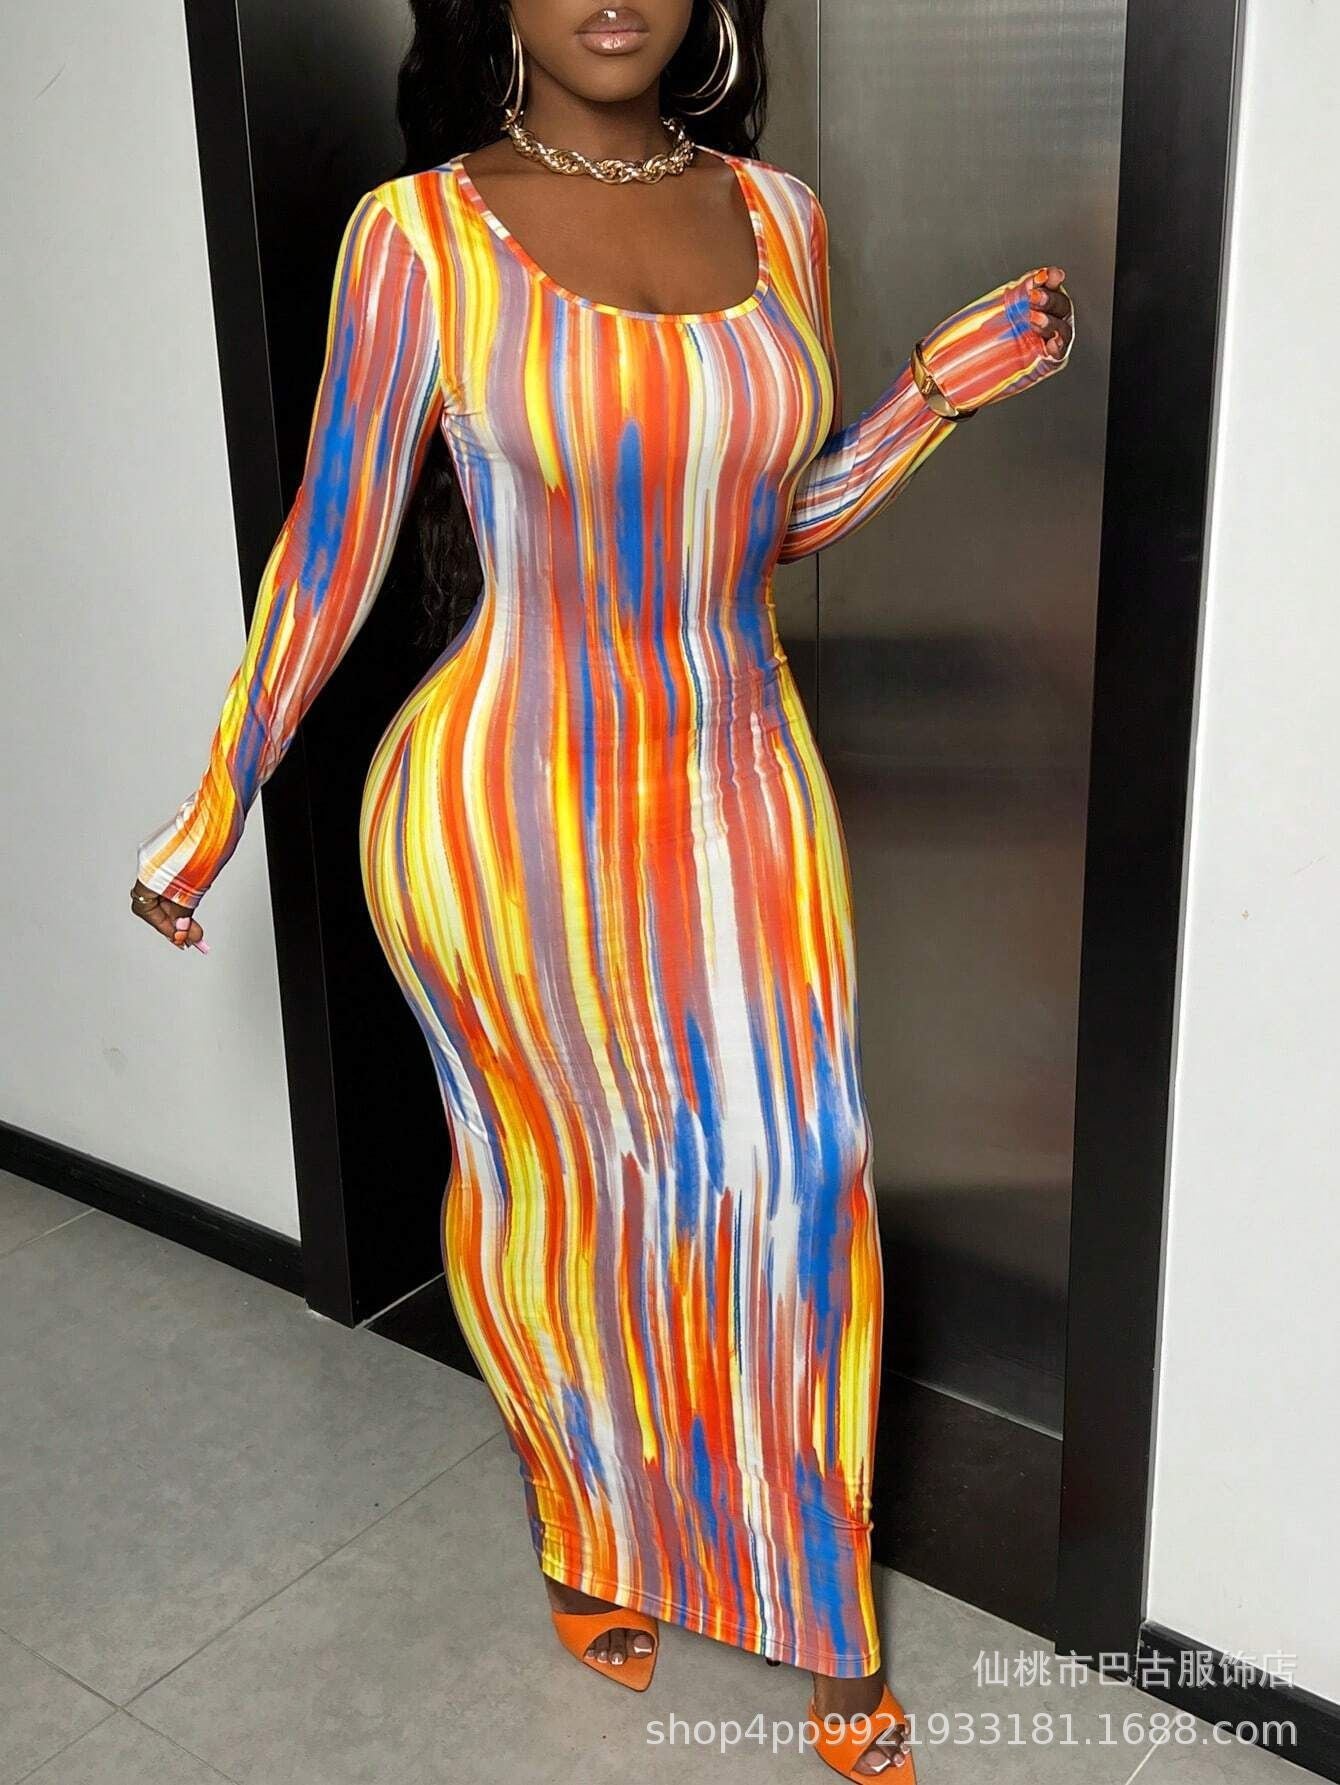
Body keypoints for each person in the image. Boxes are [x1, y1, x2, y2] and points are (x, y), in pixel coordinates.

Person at [130, 2, 1074, 1775]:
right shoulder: (418, 234)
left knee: (800, 1189)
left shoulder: (780, 215)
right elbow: (333, 545)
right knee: (564, 1206)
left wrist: (935, 393)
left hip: (738, 781)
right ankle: (587, 1527)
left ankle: (830, 1624)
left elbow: (771, 519)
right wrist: (214, 802)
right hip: (501, 816)